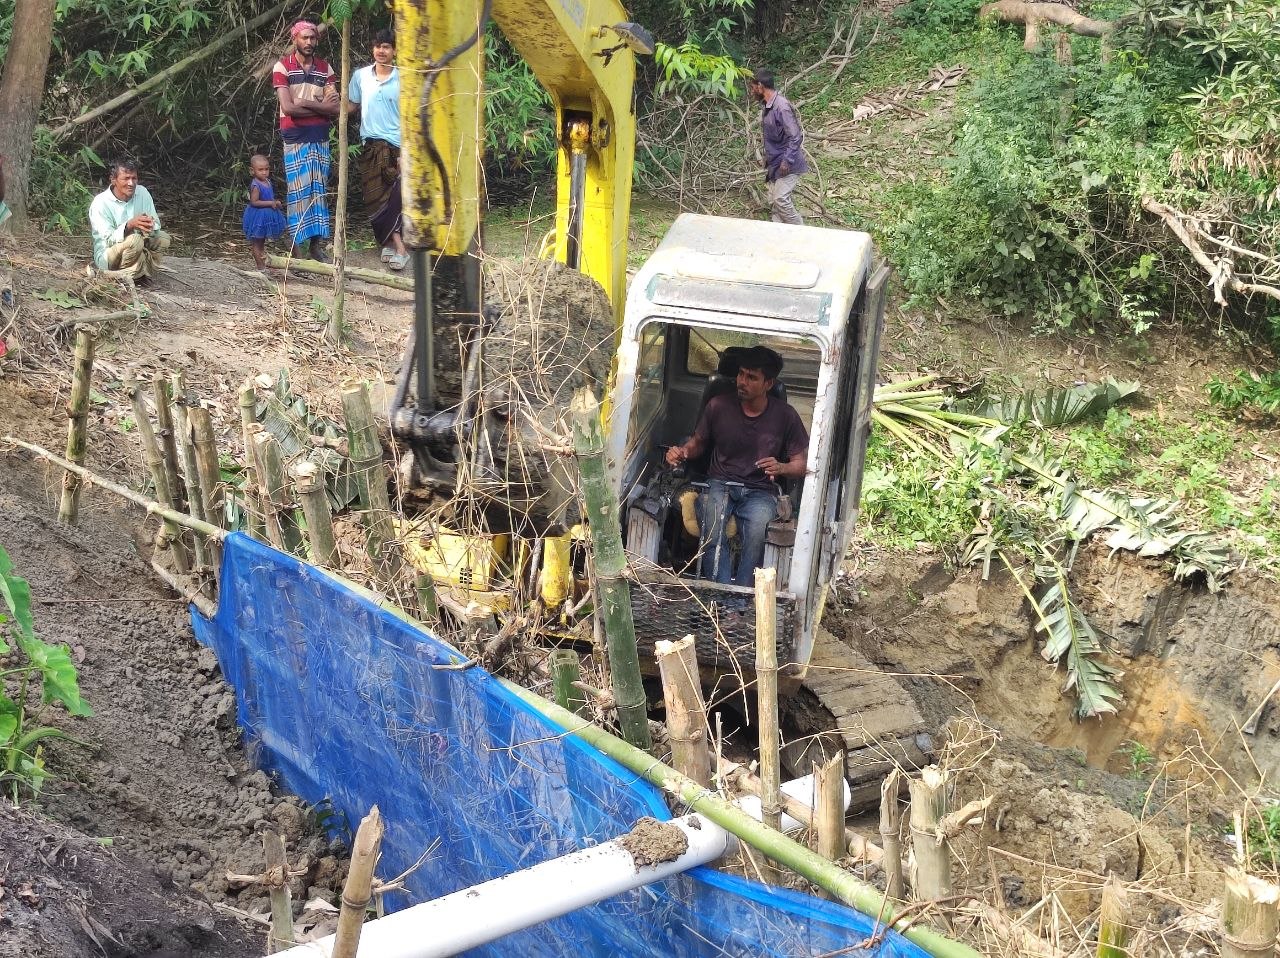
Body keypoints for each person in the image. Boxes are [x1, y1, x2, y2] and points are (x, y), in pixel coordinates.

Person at [665, 346, 809, 587]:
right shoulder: (718, 406)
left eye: (751, 377)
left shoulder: (786, 416)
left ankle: (741, 597)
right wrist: (683, 452)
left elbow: (801, 465)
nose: (742, 382)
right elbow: (698, 443)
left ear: (768, 384)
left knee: (756, 535)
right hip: (719, 484)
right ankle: (721, 595)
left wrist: (782, 468)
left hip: (760, 491)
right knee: (712, 531)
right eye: (741, 374)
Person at [273, 20, 341, 263]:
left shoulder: (325, 68)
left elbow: (335, 108)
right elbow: (288, 107)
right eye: (304, 37)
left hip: (319, 137)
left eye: (312, 38)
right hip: (295, 137)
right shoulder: (283, 67)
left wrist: (304, 103)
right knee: (297, 191)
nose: (309, 42)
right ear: (295, 39)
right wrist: (319, 107)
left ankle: (315, 247)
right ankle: (296, 248)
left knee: (317, 191)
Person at [348, 28, 408, 271]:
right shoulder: (360, 76)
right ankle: (387, 243)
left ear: (395, 50)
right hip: (371, 148)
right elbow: (350, 106)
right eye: (377, 46)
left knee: (394, 199)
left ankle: (401, 249)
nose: (381, 51)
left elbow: (410, 116)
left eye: (386, 46)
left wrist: (405, 152)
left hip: (396, 148)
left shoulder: (404, 78)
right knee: (374, 198)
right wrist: (326, 100)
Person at [87, 158, 171, 281]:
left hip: (138, 244)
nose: (131, 183)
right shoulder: (100, 203)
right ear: (113, 179)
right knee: (135, 241)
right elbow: (108, 240)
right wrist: (129, 225)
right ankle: (119, 274)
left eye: (134, 178)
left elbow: (156, 225)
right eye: (126, 178)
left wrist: (149, 225)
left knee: (164, 238)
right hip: (108, 254)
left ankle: (141, 271)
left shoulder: (142, 193)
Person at [747, 68, 808, 226]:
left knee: (780, 199)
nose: (752, 92)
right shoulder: (768, 106)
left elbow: (795, 136)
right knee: (775, 204)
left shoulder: (782, 106)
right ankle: (779, 234)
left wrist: (786, 161)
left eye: (753, 88)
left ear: (760, 86)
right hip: (775, 163)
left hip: (787, 164)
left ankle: (803, 233)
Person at [242, 154, 286, 270]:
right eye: (260, 170)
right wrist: (270, 203)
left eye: (266, 169)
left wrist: (275, 203)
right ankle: (260, 267)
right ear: (252, 170)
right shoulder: (256, 185)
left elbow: (268, 196)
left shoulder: (267, 181)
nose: (264, 172)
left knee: (261, 242)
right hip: (258, 217)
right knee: (257, 242)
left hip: (266, 216)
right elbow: (254, 202)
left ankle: (262, 265)